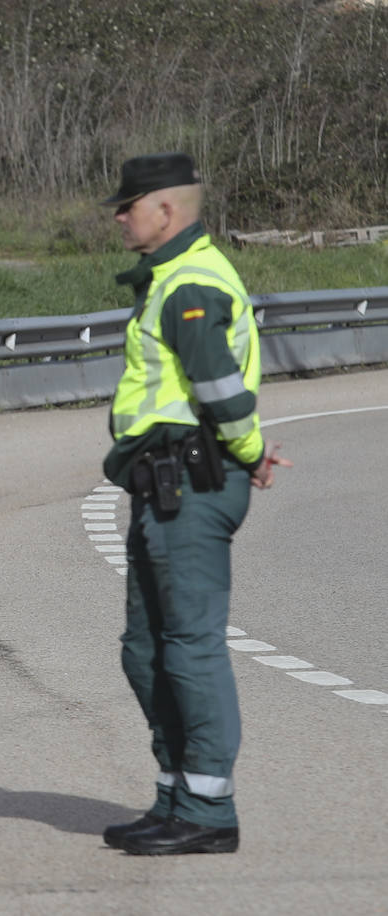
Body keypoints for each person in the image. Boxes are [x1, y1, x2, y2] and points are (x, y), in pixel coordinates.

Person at [99, 152, 289, 855]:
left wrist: (248, 452)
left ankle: (209, 810)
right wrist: (249, 451)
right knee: (145, 649)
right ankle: (176, 794)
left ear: (165, 209)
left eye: (129, 205)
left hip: (191, 485)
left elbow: (219, 391)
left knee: (188, 649)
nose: (120, 216)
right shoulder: (171, 277)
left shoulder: (191, 283)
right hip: (164, 484)